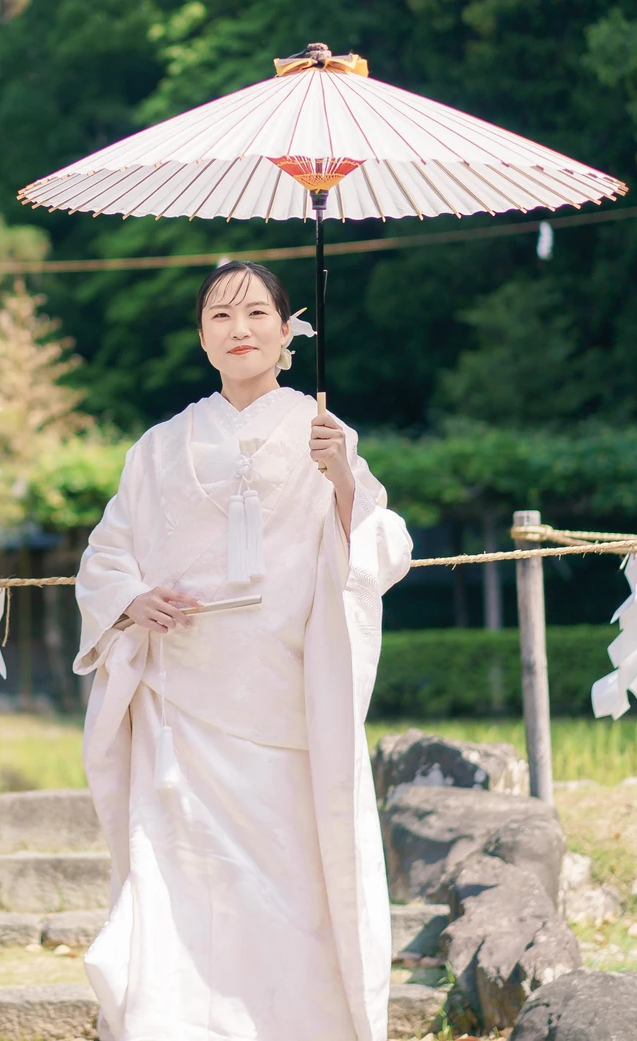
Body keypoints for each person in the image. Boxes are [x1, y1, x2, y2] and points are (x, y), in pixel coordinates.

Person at [74, 260, 413, 1041]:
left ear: (287, 331)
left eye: (257, 312)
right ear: (201, 336)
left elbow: (382, 546)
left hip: (282, 694)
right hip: (183, 698)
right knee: (182, 879)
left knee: (290, 885)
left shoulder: (324, 432)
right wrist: (132, 598)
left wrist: (341, 480)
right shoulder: (160, 446)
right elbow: (109, 549)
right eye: (220, 316)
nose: (239, 329)